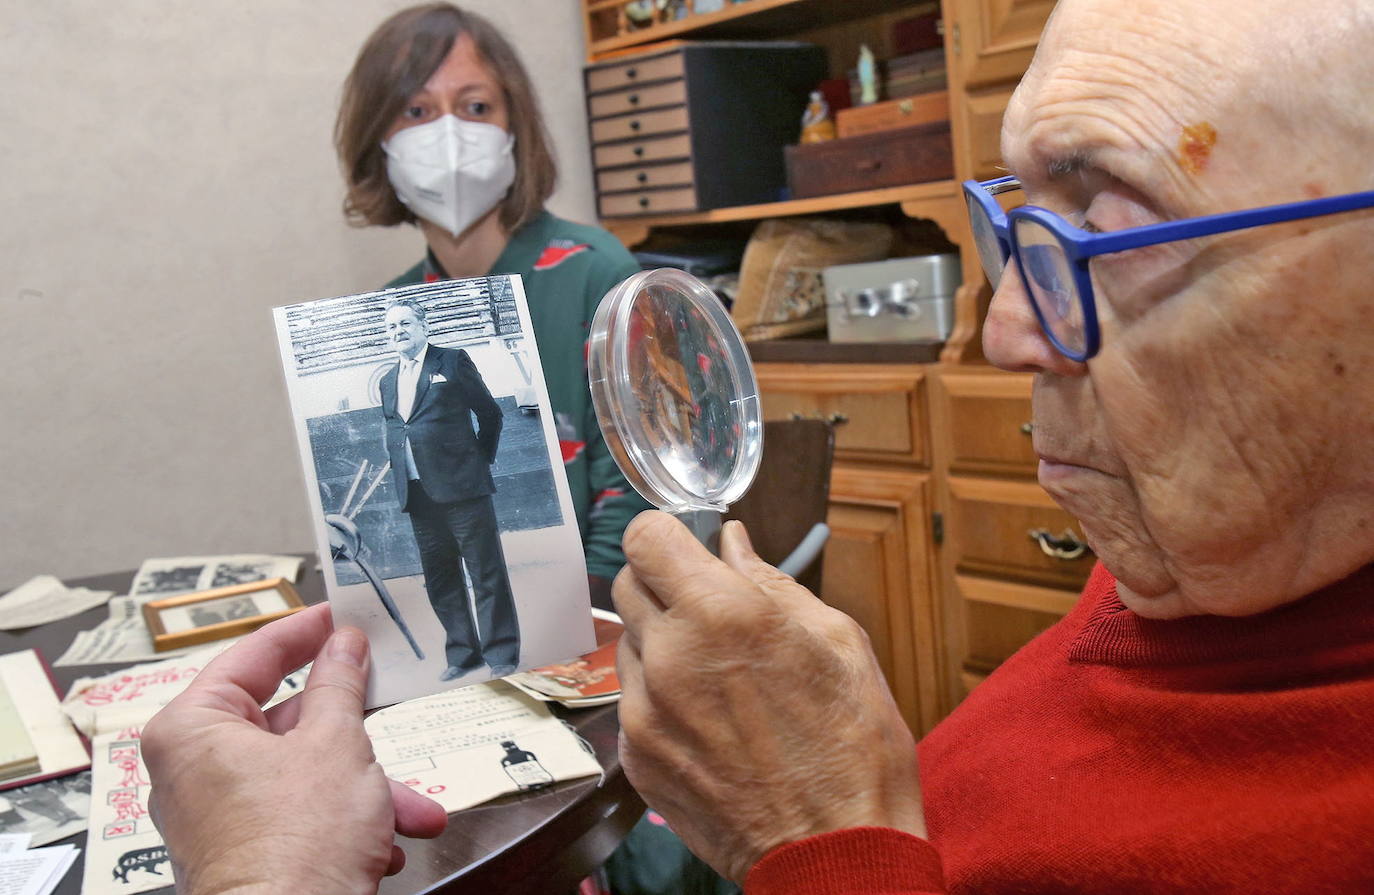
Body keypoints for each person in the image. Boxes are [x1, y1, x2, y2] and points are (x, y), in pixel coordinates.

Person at [143, 0, 1374, 891]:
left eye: (1111, 219)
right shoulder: (1213, 551)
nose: (998, 331)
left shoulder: (594, 278)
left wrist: (819, 841)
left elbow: (644, 513)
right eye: (1014, 225)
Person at [335, 3, 650, 609]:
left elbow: (636, 492)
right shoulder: (390, 313)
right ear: (378, 141)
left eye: (476, 107)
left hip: (598, 613)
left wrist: (572, 620)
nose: (448, 134)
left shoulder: (595, 272)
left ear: (514, 127)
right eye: (416, 111)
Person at [379, 297, 517, 680]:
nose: (398, 332)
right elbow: (397, 428)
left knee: (484, 572)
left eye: (405, 323)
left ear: (423, 326)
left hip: (463, 488)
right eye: (391, 327)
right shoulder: (388, 379)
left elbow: (489, 413)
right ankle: (462, 654)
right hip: (418, 493)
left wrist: (478, 462)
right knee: (441, 578)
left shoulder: (452, 361)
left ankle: (501, 653)